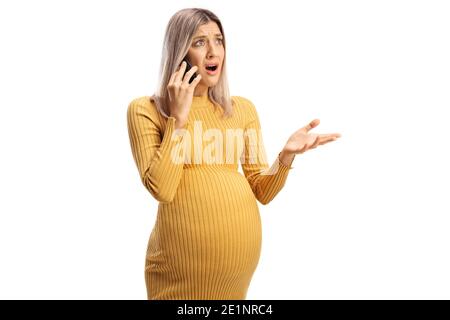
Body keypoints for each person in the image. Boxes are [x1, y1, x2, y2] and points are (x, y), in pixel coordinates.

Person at [126, 8, 341, 300]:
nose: (214, 51)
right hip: (178, 276)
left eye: (219, 40)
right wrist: (178, 119)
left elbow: (262, 191)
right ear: (180, 52)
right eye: (200, 42)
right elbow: (161, 188)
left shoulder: (241, 109)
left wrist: (286, 156)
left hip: (236, 279)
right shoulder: (146, 110)